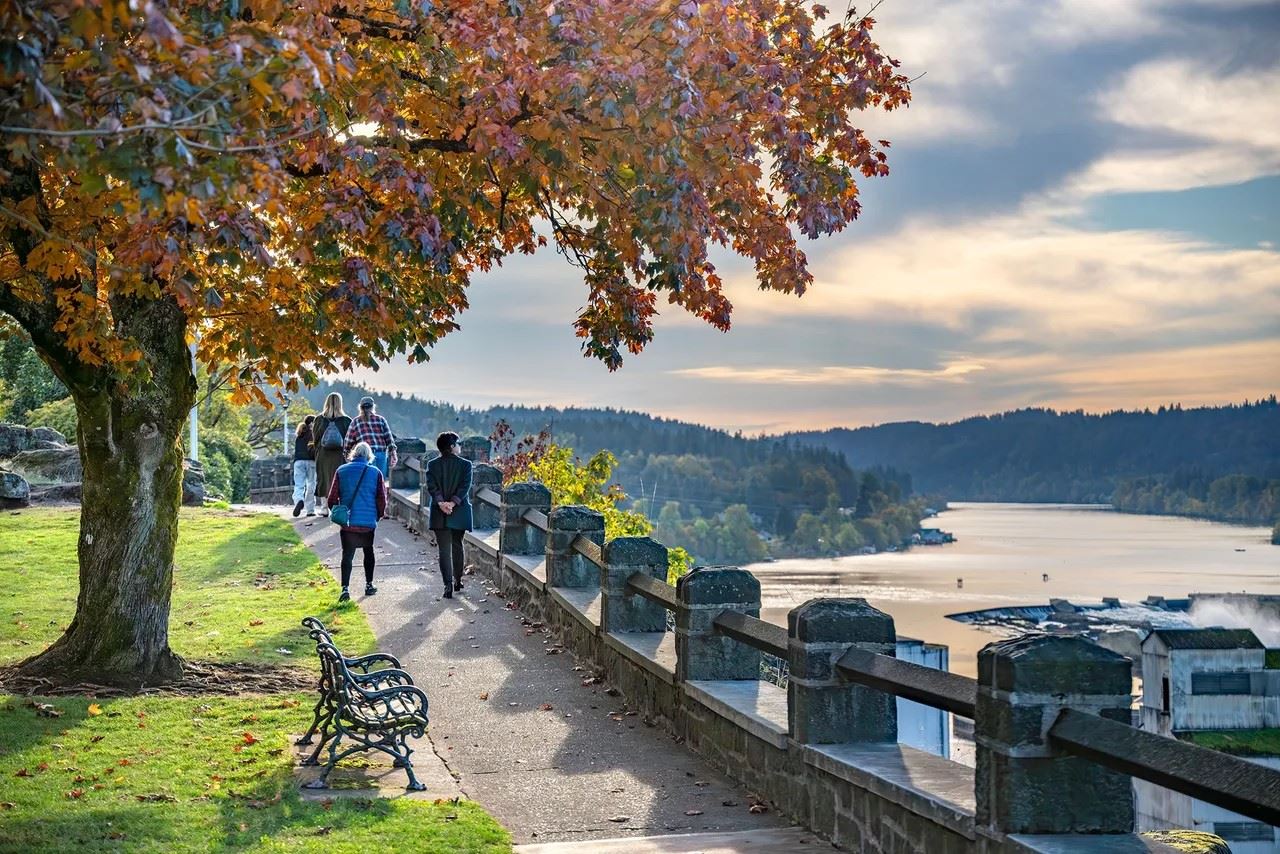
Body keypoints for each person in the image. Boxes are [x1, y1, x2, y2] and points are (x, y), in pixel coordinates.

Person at [326, 441, 386, 602]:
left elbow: (331, 498)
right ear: (368, 456)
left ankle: (345, 588)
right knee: (368, 551)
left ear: (353, 454)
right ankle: (369, 585)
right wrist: (378, 515)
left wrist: (340, 513)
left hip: (348, 523)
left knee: (347, 554)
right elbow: (381, 498)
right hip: (368, 521)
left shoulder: (341, 470)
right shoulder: (375, 472)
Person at [426, 431, 473, 599]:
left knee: (444, 550)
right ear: (452, 446)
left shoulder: (432, 465)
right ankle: (457, 580)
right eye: (457, 444)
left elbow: (431, 487)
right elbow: (464, 487)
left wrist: (441, 503)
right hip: (459, 511)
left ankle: (447, 585)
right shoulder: (466, 465)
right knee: (457, 545)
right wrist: (452, 503)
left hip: (439, 512)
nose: (459, 447)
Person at [312, 392, 352, 516]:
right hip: (340, 455)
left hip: (323, 455)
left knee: (323, 479)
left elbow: (315, 438)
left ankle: (324, 508)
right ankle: (337, 507)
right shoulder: (346, 420)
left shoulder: (319, 419)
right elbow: (350, 439)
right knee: (340, 479)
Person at [345, 396, 398, 480]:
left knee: (368, 481)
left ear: (360, 408)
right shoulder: (381, 420)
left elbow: (348, 442)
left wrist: (347, 456)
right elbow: (389, 439)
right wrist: (393, 454)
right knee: (380, 481)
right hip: (381, 454)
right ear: (373, 407)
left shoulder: (356, 422)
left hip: (365, 455)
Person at [292, 414, 317, 517]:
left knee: (299, 484)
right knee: (311, 484)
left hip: (298, 462)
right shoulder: (313, 434)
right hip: (311, 461)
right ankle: (310, 510)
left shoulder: (299, 434)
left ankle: (299, 500)